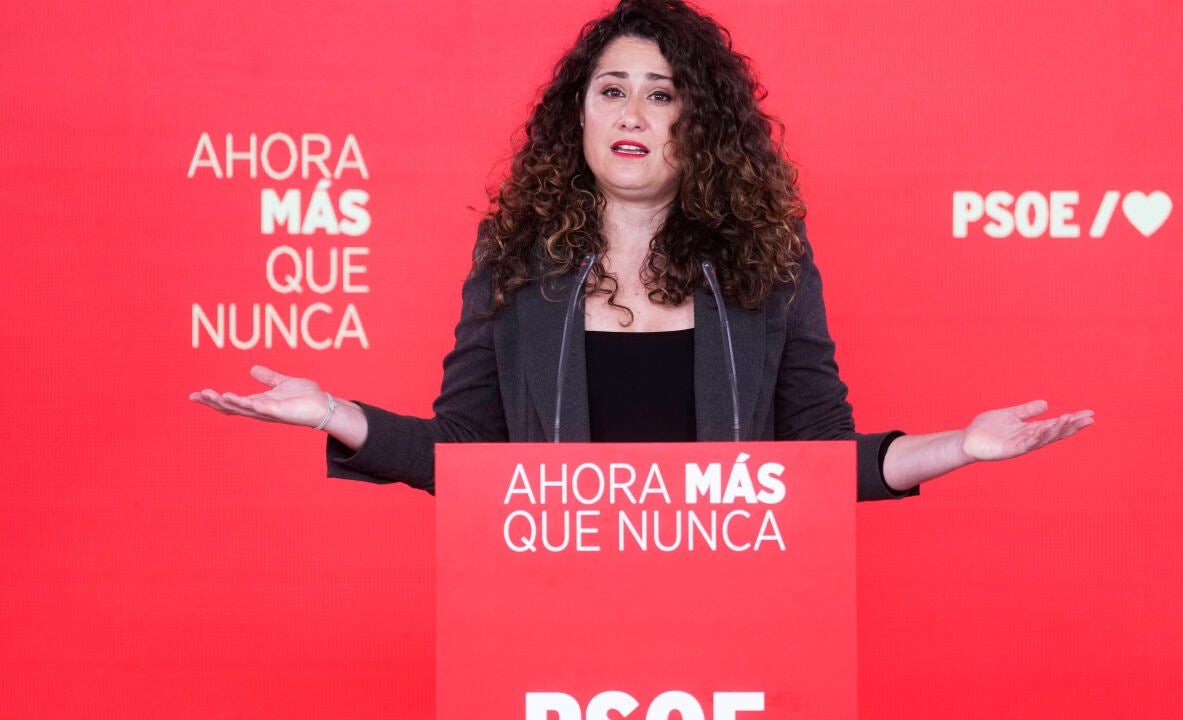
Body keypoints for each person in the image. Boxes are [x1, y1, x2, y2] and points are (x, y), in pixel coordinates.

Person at [190, 0, 1092, 500]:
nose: (631, 113)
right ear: (578, 115)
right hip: (553, 613)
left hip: (730, 613)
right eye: (611, 89)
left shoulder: (768, 260)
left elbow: (816, 461)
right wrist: (335, 414)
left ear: (701, 126)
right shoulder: (515, 256)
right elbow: (469, 455)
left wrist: (961, 446)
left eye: (661, 95)